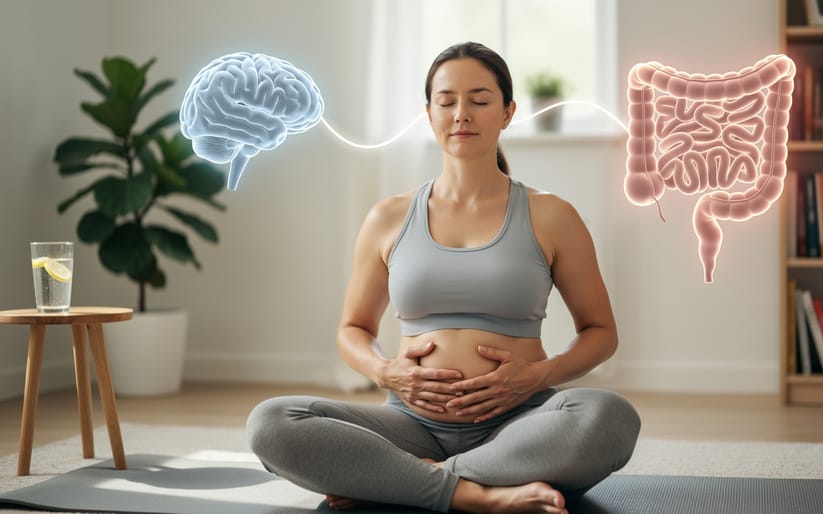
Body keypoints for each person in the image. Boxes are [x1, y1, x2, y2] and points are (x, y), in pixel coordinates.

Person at [247, 41, 640, 514]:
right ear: (429, 113)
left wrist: (538, 375)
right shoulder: (387, 217)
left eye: (479, 100)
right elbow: (353, 329)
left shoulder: (552, 215)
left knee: (610, 417)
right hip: (410, 427)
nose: (462, 115)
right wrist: (384, 370)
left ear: (508, 112)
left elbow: (601, 333)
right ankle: (479, 495)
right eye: (446, 101)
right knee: (271, 422)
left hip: (521, 422)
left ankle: (409, 480)